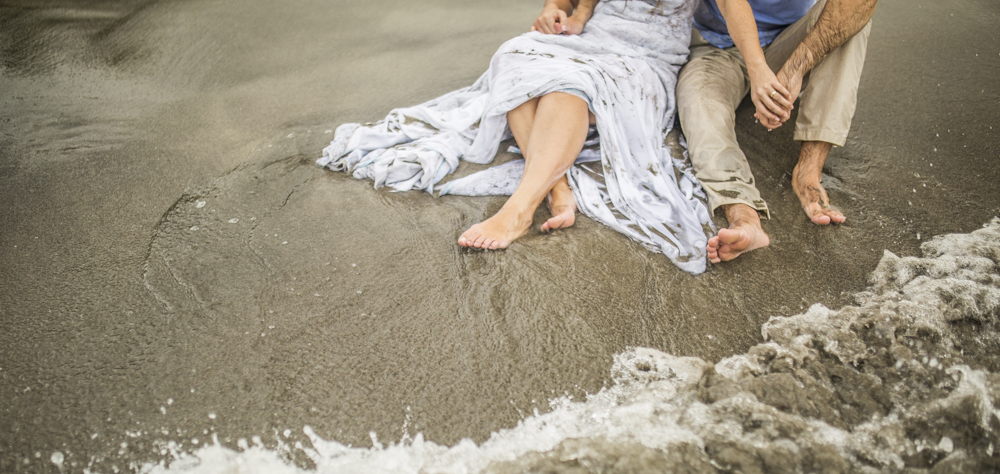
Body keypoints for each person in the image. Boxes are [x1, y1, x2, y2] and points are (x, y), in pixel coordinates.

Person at [319, 0, 714, 274]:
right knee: (516, 57)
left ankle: (519, 210)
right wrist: (561, 13)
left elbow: (738, 9)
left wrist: (763, 73)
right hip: (597, 35)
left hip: (647, 54)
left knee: (567, 87)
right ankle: (557, 186)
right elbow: (577, 3)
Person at [676, 0, 877, 263]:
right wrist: (758, 68)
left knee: (853, 19)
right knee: (699, 106)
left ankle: (808, 173)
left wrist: (796, 69)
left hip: (790, 38)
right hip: (717, 43)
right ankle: (742, 212)